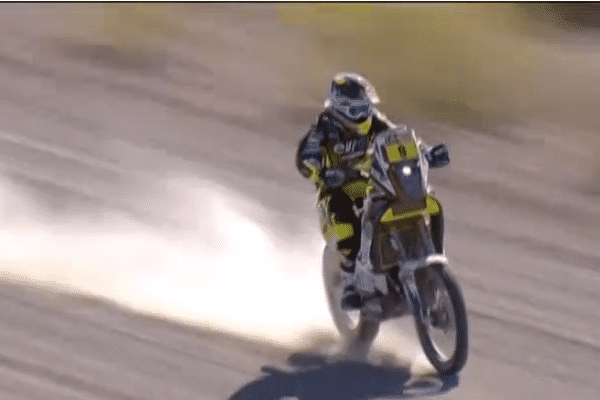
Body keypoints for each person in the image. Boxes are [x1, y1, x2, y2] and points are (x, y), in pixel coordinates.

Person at [295, 72, 447, 310]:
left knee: (424, 199)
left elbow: (400, 138)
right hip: (336, 189)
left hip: (370, 180)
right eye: (356, 110)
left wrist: (427, 152)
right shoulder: (323, 130)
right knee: (346, 225)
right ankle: (351, 281)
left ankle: (431, 261)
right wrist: (320, 171)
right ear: (340, 109)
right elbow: (304, 158)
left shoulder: (374, 121)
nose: (363, 114)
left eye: (366, 106)